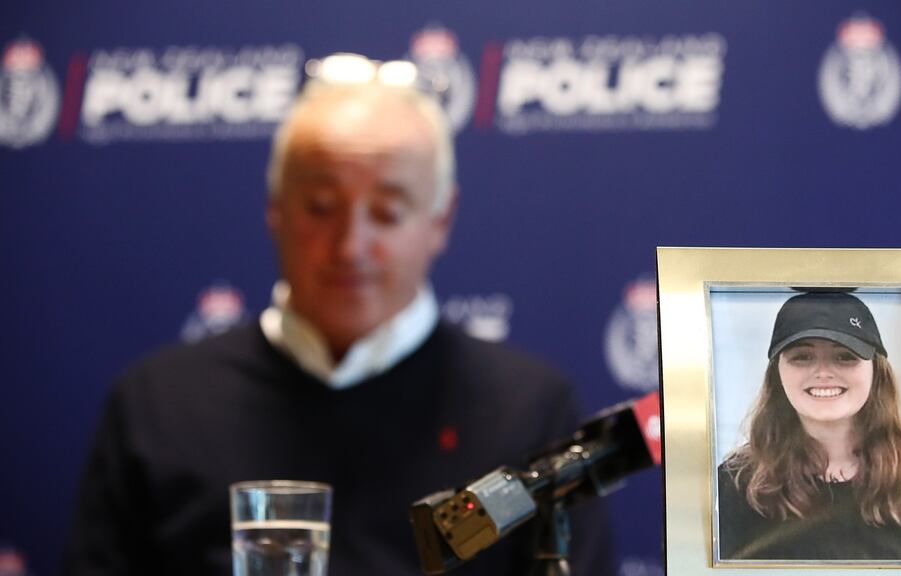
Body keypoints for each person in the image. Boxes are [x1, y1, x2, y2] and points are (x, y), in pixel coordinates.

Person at [62, 55, 615, 576]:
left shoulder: (530, 412)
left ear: (440, 220)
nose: (351, 245)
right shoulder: (157, 405)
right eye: (322, 207)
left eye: (387, 212)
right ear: (275, 208)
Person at [717, 291, 901, 561]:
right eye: (802, 356)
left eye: (845, 356)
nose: (823, 372)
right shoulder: (735, 483)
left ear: (876, 370)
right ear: (777, 372)